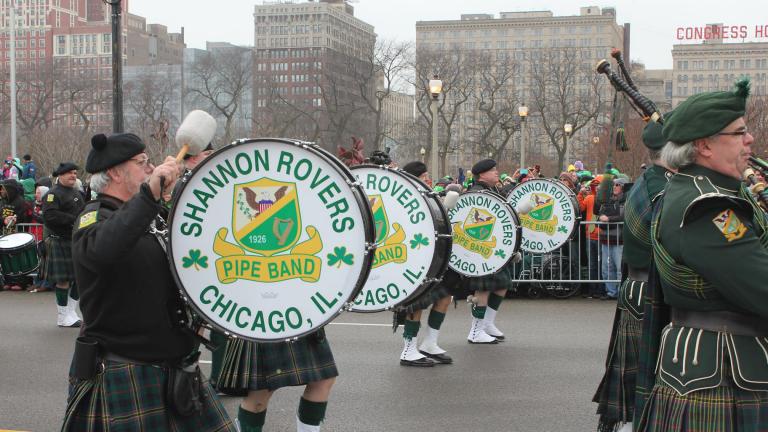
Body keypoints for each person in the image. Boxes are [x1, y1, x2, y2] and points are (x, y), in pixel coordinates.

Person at [61, 132, 235, 431]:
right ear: (115, 172)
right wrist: (149, 196)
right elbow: (105, 249)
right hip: (126, 369)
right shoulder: (93, 218)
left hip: (177, 365)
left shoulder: (151, 216)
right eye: (142, 163)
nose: (151, 168)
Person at [636, 79, 768, 431]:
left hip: (722, 365)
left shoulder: (702, 190)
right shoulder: (708, 208)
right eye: (739, 133)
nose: (749, 140)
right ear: (704, 146)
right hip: (723, 371)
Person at [593, 121, 674, 432]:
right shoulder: (660, 188)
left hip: (641, 287)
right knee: (646, 380)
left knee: (639, 382)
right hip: (649, 290)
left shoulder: (652, 181)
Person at [395, 161, 457, 366]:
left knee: (445, 297)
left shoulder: (428, 197)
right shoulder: (402, 199)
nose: (428, 180)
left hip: (433, 259)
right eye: (424, 177)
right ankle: (408, 350)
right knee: (416, 304)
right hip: (412, 259)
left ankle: (430, 343)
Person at [464, 159, 512, 343]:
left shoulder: (494, 190)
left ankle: (487, 324)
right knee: (482, 289)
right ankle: (475, 331)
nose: (497, 172)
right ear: (482, 174)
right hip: (479, 250)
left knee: (502, 285)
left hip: (494, 250)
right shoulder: (476, 193)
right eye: (493, 170)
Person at [41, 162, 85, 328]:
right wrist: (74, 220)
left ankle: (71, 313)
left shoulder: (77, 193)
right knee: (63, 280)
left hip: (76, 239)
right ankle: (62, 316)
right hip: (60, 240)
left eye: (74, 173)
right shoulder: (52, 194)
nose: (73, 175)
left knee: (80, 278)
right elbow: (50, 216)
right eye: (69, 173)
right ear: (60, 175)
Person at [596, 177, 626, 299]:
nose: (614, 186)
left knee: (620, 268)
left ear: (623, 187)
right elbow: (599, 216)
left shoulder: (626, 200)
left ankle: (621, 293)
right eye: (613, 185)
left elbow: (623, 216)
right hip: (605, 239)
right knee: (606, 268)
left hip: (619, 240)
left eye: (617, 185)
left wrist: (609, 219)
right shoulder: (607, 200)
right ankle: (611, 292)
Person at [578, 177, 606, 299]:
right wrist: (580, 194)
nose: (597, 188)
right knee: (592, 265)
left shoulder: (606, 199)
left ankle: (601, 289)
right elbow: (580, 208)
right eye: (596, 185)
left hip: (601, 237)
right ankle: (592, 289)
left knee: (601, 265)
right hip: (591, 236)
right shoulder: (589, 198)